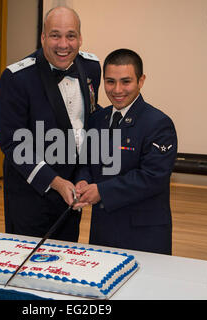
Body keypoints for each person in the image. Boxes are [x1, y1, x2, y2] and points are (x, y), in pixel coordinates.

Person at [0, 6, 101, 242]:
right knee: (25, 264)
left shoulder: (92, 67)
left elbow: (86, 128)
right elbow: (13, 145)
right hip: (31, 193)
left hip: (72, 194)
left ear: (80, 38)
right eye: (55, 35)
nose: (63, 44)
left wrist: (83, 175)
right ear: (43, 37)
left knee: (64, 262)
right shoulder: (17, 78)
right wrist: (55, 182)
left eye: (70, 35)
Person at [74, 49, 177, 254]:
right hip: (103, 231)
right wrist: (83, 180)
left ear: (141, 81)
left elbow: (152, 177)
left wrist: (101, 191)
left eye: (126, 81)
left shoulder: (159, 124)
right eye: (110, 82)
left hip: (143, 235)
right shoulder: (97, 120)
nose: (117, 89)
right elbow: (87, 162)